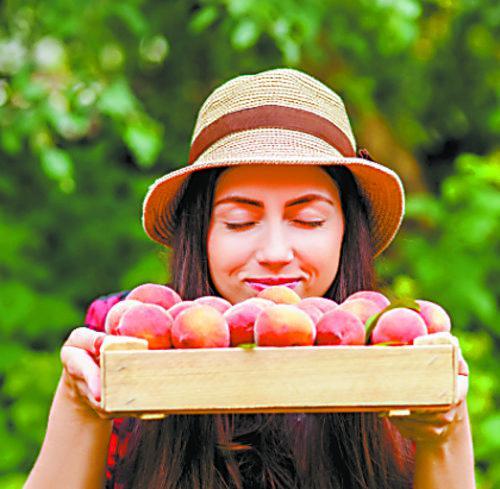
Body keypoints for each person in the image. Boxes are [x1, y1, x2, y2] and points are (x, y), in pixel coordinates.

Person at [25, 68, 475, 489]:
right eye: (239, 221)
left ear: (345, 230)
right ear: (201, 233)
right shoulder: (133, 338)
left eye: (310, 220)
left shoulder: (394, 348)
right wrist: (79, 405)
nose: (275, 254)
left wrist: (444, 430)